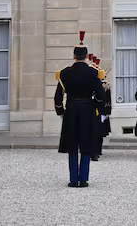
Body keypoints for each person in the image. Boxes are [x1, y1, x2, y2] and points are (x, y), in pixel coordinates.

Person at [53, 30, 106, 188]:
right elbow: (101, 96)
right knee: (86, 146)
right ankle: (83, 179)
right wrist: (96, 107)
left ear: (74, 56)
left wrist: (61, 112)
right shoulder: (94, 73)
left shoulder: (64, 74)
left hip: (71, 110)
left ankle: (73, 179)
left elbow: (58, 97)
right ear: (86, 55)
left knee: (72, 145)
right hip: (88, 111)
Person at [88, 54, 112, 162]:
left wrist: (105, 113)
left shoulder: (104, 85)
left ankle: (96, 151)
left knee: (98, 133)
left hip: (99, 112)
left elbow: (106, 100)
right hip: (89, 111)